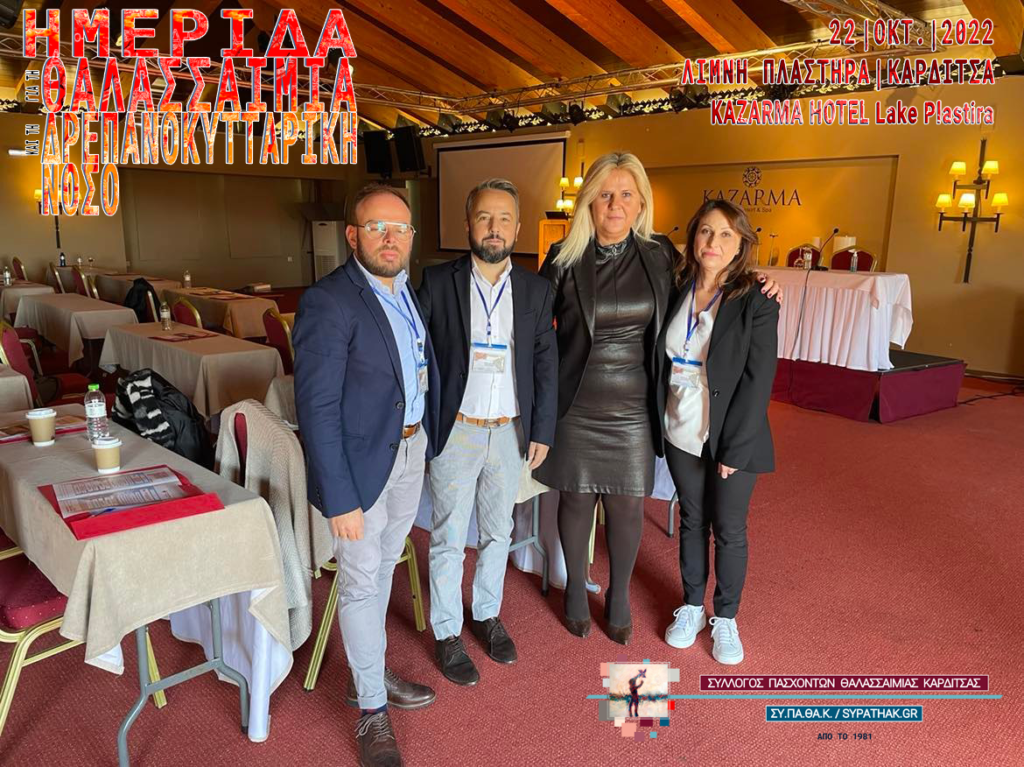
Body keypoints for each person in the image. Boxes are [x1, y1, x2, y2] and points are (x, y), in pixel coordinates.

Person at [537, 151, 781, 645]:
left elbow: (713, 283)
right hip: (577, 403)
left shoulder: (658, 255)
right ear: (589, 201)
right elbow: (537, 332)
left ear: (641, 202)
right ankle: (576, 592)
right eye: (605, 194)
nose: (615, 204)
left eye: (626, 194)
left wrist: (759, 281)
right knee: (576, 498)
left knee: (627, 505)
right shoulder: (563, 257)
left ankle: (620, 597)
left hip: (634, 405)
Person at [293, 183, 440, 767]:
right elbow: (317, 409)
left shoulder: (406, 292)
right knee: (359, 581)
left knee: (381, 572)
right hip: (360, 468)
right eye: (377, 227)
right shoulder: (329, 301)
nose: (390, 237)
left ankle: (366, 675)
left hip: (409, 450)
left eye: (400, 228)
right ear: (353, 235)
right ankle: (372, 710)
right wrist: (339, 498)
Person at [417, 178, 558, 686]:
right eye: (484, 217)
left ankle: (486, 613)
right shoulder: (437, 282)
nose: (494, 228)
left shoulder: (537, 290)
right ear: (468, 225)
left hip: (510, 431)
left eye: (504, 219)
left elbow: (545, 361)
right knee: (449, 535)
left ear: (517, 228)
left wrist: (542, 428)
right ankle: (447, 631)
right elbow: (418, 355)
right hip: (456, 430)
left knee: (500, 531)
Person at [658, 199, 780, 666]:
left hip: (731, 434)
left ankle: (725, 616)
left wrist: (735, 447)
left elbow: (758, 380)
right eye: (706, 231)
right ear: (693, 237)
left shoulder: (757, 299)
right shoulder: (675, 286)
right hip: (680, 427)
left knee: (728, 528)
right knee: (692, 519)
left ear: (741, 244)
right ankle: (691, 605)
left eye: (726, 234)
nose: (713, 241)